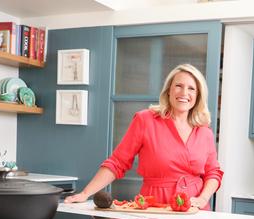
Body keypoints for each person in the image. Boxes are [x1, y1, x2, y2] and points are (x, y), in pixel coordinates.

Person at [64, 64, 223, 210]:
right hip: (155, 206)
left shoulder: (204, 132)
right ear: (169, 90)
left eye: (191, 89)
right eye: (179, 86)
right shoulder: (145, 120)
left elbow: (213, 173)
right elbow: (118, 162)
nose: (184, 93)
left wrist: (202, 199)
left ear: (198, 95)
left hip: (195, 210)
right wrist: (85, 193)